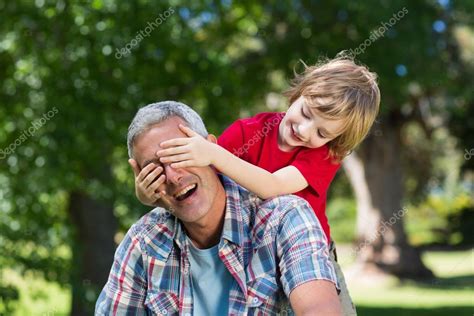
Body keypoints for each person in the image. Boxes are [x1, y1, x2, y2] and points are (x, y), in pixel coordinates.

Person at [133, 54, 380, 315]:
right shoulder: (249, 131)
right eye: (307, 113)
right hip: (253, 250)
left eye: (322, 133)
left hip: (309, 253)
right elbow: (201, 183)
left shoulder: (323, 155)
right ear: (299, 93)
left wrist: (214, 154)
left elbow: (271, 186)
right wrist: (148, 195)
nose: (306, 131)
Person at [95, 101, 342, 315]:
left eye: (180, 156)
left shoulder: (285, 219)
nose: (172, 177)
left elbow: (319, 310)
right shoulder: (144, 242)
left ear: (211, 150)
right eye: (155, 169)